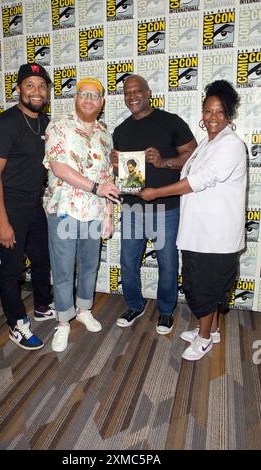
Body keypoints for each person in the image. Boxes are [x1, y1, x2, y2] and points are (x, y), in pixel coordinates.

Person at [139, 79, 246, 361]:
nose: (212, 117)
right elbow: (186, 167)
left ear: (229, 115)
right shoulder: (207, 143)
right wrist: (163, 163)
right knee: (207, 285)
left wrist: (155, 193)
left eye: (220, 112)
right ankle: (212, 330)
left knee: (206, 288)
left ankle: (205, 337)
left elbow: (197, 181)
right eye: (208, 111)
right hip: (200, 232)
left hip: (215, 234)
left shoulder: (231, 145)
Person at [111, 74, 197, 335]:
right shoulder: (120, 130)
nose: (132, 96)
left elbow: (194, 157)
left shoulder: (170, 122)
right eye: (127, 92)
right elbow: (121, 174)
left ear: (149, 93)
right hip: (132, 208)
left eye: (137, 91)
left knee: (168, 264)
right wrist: (114, 166)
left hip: (165, 209)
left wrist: (164, 162)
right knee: (128, 262)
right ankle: (135, 306)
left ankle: (166, 311)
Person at [44, 77, 120, 353]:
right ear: (75, 98)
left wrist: (109, 213)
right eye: (83, 94)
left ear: (101, 103)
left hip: (95, 212)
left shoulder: (104, 132)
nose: (88, 99)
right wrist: (96, 188)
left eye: (94, 95)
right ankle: (63, 322)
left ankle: (84, 309)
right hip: (64, 210)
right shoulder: (59, 125)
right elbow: (58, 167)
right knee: (63, 270)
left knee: (89, 265)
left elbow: (108, 176)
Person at [0, 63, 55, 351]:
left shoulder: (46, 122)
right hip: (8, 207)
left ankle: (41, 305)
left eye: (41, 86)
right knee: (12, 269)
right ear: (18, 90)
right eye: (30, 85)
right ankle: (16, 324)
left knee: (41, 258)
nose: (36, 92)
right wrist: (2, 221)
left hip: (33, 205)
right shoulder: (4, 124)